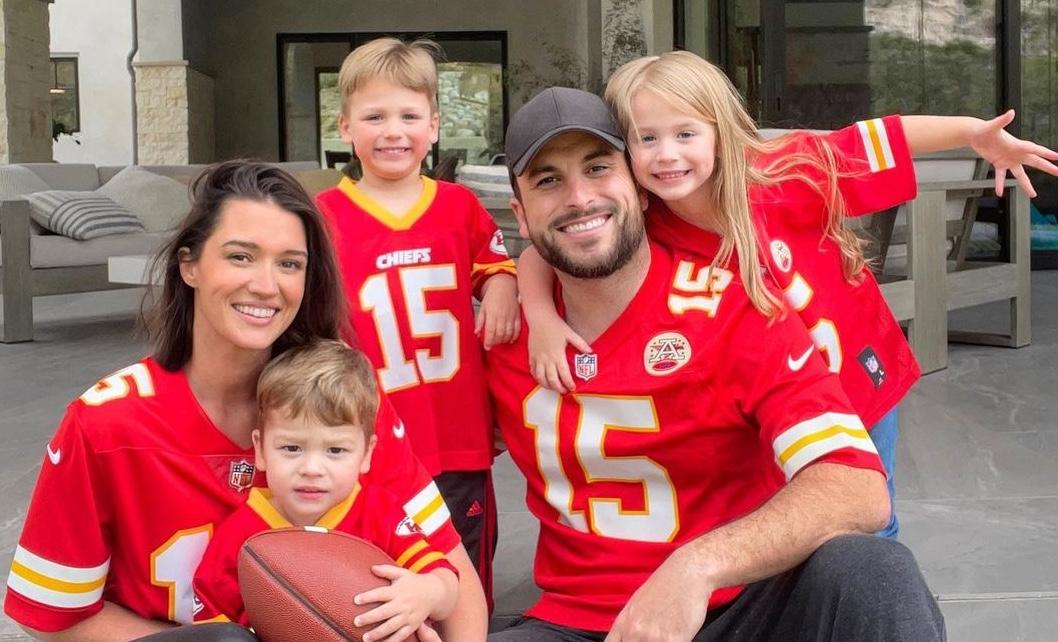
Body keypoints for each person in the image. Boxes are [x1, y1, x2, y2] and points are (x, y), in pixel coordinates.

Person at [519, 51, 1058, 539]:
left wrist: (973, 133)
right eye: (647, 138)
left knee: (866, 516)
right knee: (791, 517)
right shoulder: (646, 221)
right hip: (763, 405)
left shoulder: (787, 170)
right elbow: (539, 252)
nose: (667, 155)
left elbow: (884, 136)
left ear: (718, 131)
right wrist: (539, 315)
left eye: (685, 134)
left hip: (853, 379)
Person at [486, 87, 945, 640]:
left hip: (743, 604)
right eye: (548, 181)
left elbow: (856, 488)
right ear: (521, 212)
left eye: (599, 167)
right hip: (581, 622)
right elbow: (396, 465)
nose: (580, 197)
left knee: (874, 571)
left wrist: (695, 568)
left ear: (641, 186)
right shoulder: (499, 334)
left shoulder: (733, 305)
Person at [4, 160, 485, 641]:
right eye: (240, 256)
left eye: (290, 263)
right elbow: (50, 617)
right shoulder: (106, 424)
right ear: (188, 264)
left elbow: (455, 582)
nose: (266, 285)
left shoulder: (339, 399)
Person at [315, 36, 519, 604]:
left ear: (433, 125)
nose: (393, 131)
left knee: (464, 579)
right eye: (374, 116)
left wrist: (502, 285)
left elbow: (496, 266)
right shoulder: (323, 219)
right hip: (369, 441)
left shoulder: (460, 207)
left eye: (409, 115)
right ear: (346, 127)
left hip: (457, 436)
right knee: (373, 579)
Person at [193, 340, 475, 641]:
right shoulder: (240, 537)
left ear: (367, 454)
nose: (312, 468)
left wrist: (427, 592)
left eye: (336, 450)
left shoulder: (380, 513)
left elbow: (446, 582)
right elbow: (211, 629)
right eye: (291, 448)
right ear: (260, 449)